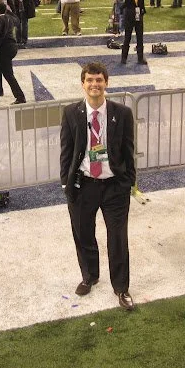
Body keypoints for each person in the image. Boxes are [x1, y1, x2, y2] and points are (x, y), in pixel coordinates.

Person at [60, 62, 137, 311]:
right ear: (83, 84)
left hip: (114, 186)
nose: (95, 84)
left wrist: (128, 182)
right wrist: (66, 184)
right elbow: (66, 151)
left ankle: (121, 288)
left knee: (117, 238)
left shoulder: (122, 113)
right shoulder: (71, 113)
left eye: (99, 80)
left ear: (106, 83)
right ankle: (89, 276)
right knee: (83, 234)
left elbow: (128, 150)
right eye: (90, 80)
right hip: (84, 185)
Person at [0, 1, 26, 104]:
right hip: (12, 46)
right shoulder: (11, 18)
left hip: (5, 48)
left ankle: (20, 97)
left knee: (8, 74)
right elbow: (18, 21)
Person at [121, 0, 149, 65]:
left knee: (140, 38)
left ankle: (140, 58)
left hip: (139, 17)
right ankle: (124, 58)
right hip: (129, 17)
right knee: (127, 38)